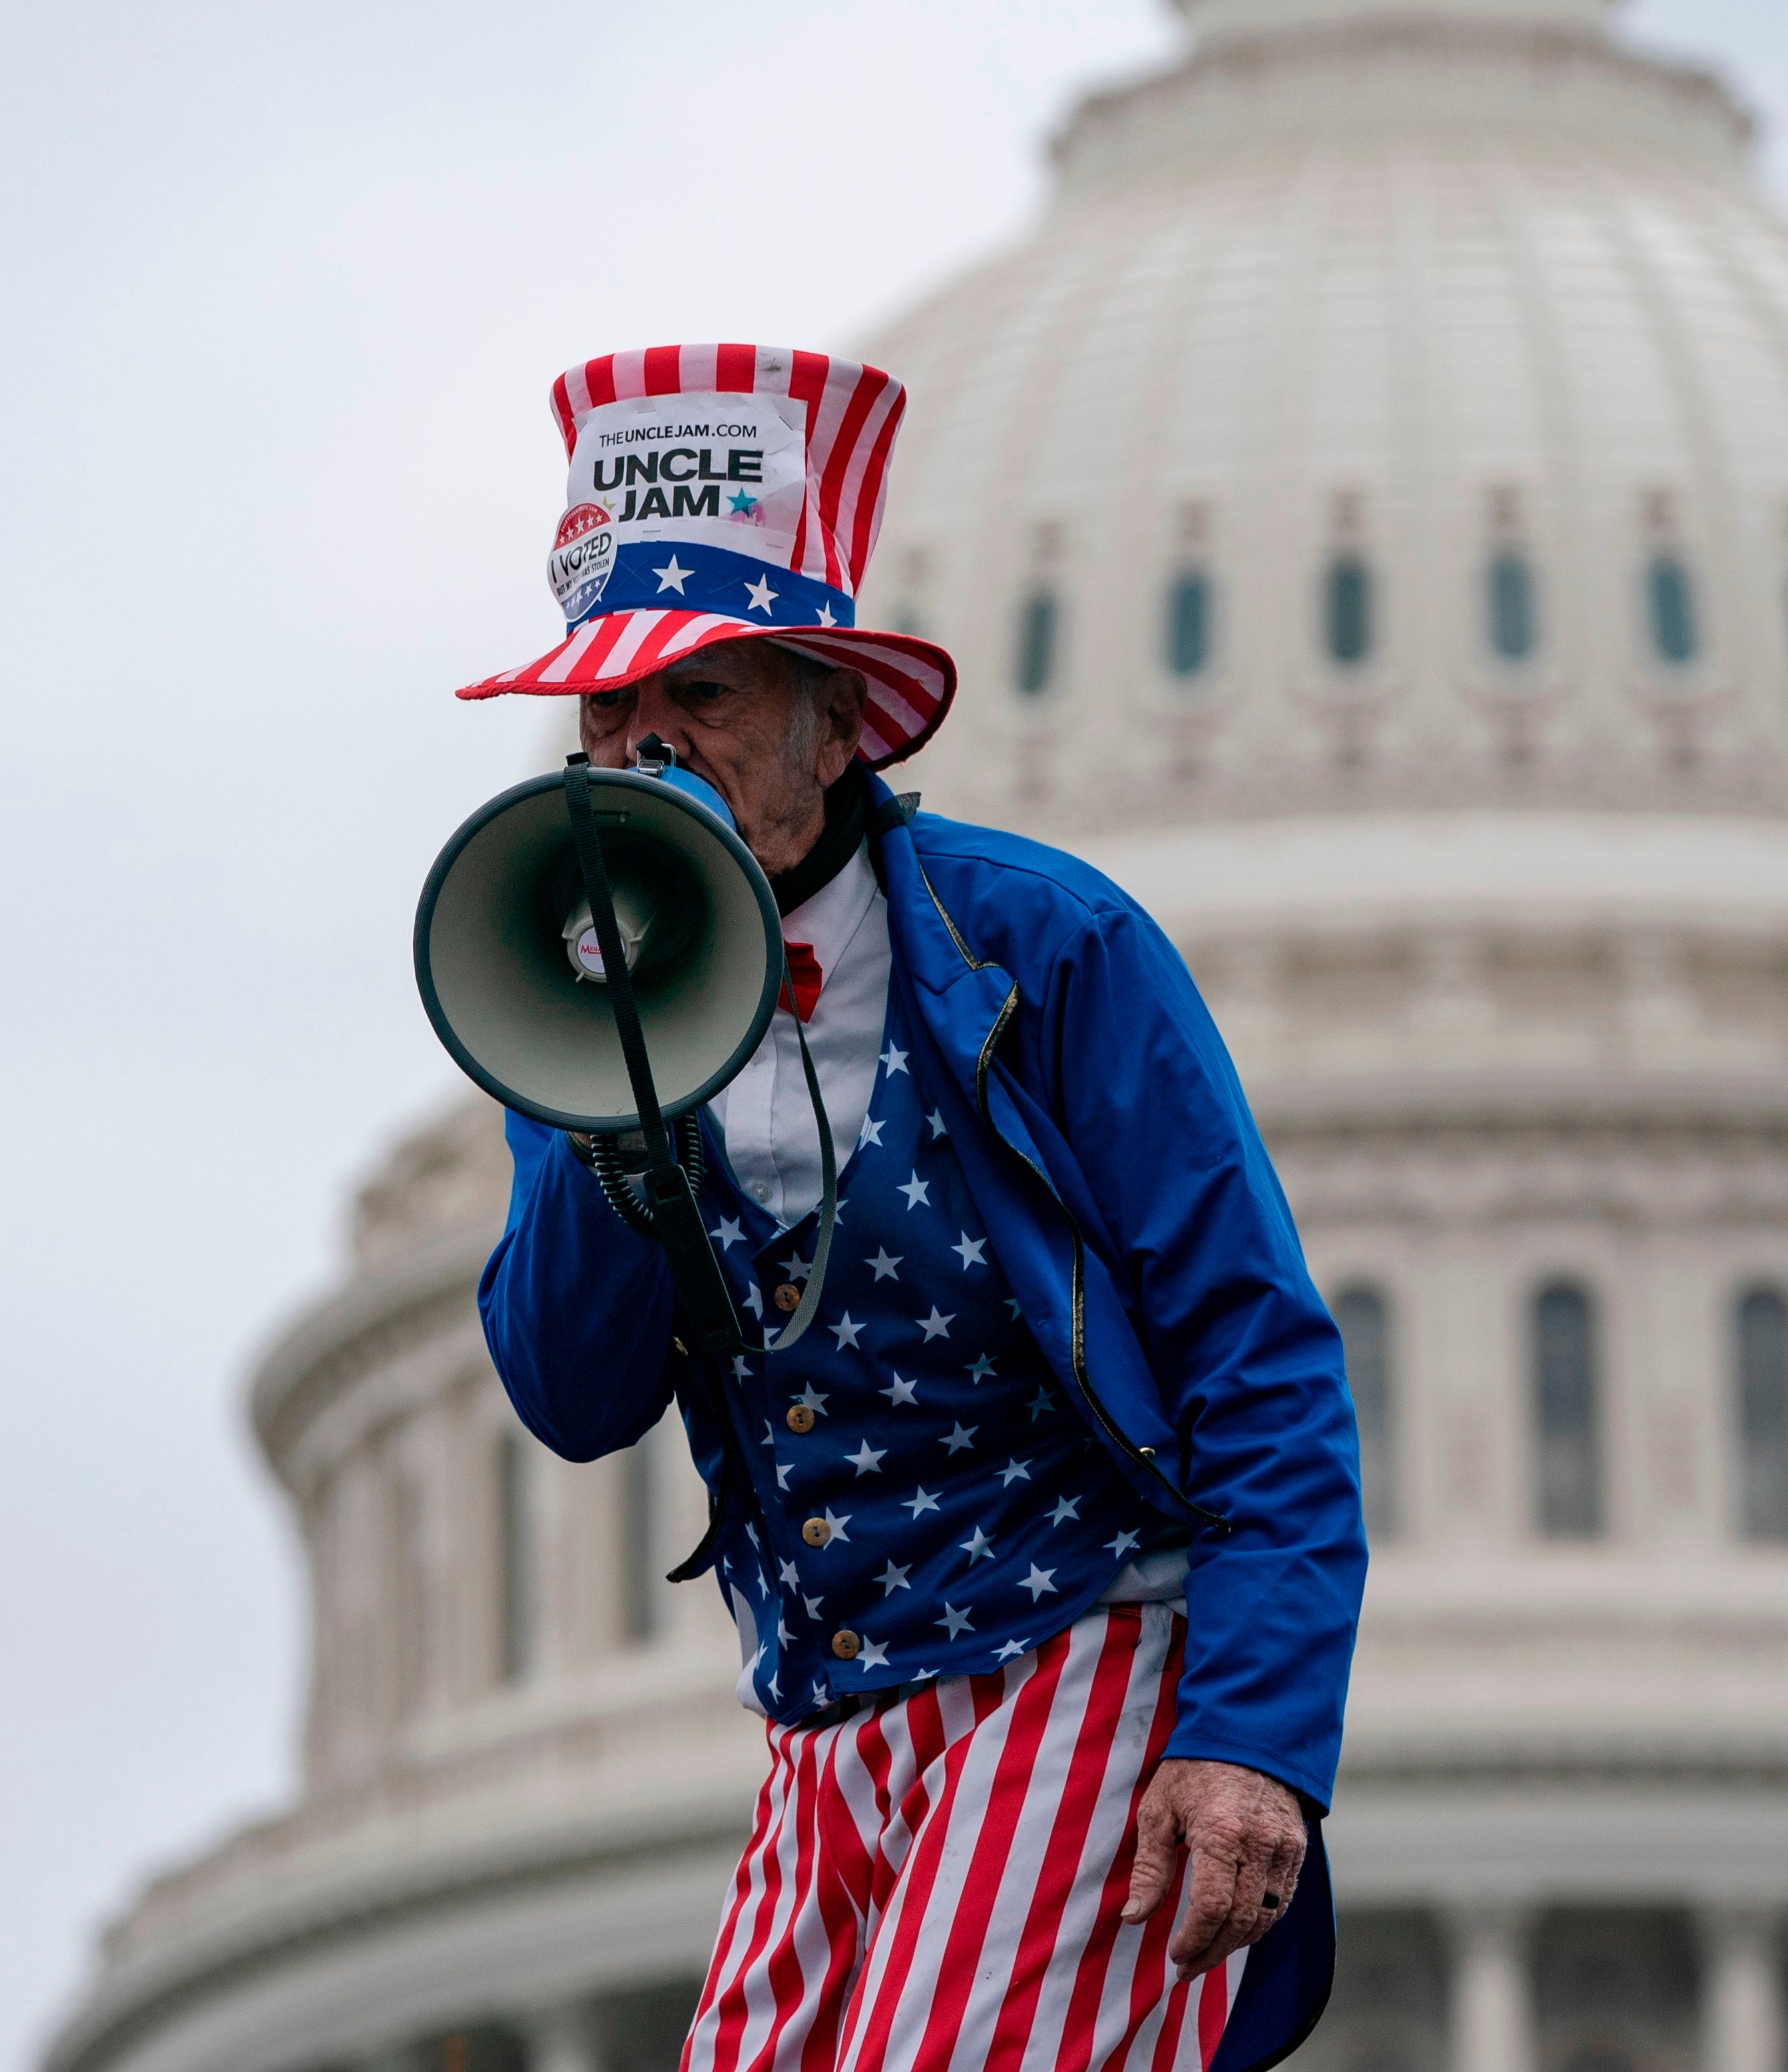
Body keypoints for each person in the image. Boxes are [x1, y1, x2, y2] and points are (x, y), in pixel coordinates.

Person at [456, 346, 1365, 2072]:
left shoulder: (1040, 943)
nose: (642, 747)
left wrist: (1252, 1732)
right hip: (827, 1715)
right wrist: (601, 1108)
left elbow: (1258, 1355)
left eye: (702, 696)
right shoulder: (566, 1002)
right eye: (604, 713)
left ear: (830, 717)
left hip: (1083, 1650)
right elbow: (573, 1399)